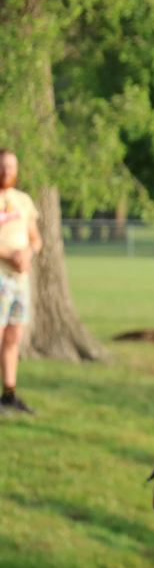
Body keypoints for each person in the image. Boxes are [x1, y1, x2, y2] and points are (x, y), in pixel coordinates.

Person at [0, 149, 41, 415]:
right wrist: (9, 255)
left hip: (19, 280)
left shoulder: (23, 201)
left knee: (14, 335)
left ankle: (9, 394)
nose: (7, 171)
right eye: (3, 166)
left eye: (11, 167)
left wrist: (27, 253)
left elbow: (36, 239)